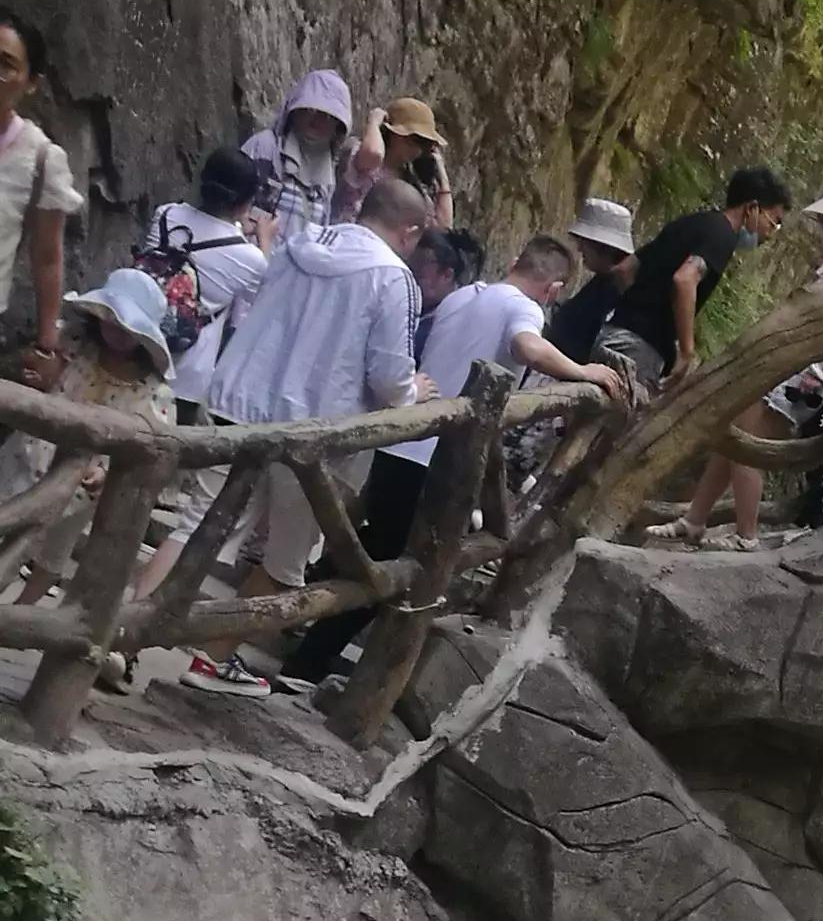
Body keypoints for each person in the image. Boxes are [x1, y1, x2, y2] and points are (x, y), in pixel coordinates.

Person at [297, 231, 622, 628]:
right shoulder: (526, 309)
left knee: (375, 543)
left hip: (402, 440)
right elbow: (527, 348)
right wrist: (581, 371)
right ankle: (309, 655)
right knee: (396, 568)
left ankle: (306, 603)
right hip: (439, 457)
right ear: (553, 289)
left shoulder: (461, 296)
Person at [191, 168, 427, 662]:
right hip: (315, 435)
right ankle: (211, 660)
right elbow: (389, 376)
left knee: (199, 528)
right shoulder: (394, 278)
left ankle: (121, 638)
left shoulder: (300, 242)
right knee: (286, 557)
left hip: (242, 404)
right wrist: (414, 392)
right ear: (410, 231)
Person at [687, 183, 823, 545]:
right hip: (794, 362)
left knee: (748, 443)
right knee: (732, 437)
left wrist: (819, 373)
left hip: (809, 373)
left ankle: (746, 535)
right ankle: (694, 519)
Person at [7, 268, 178, 604]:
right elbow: (38, 367)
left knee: (52, 551)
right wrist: (39, 370)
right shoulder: (74, 342)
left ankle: (21, 610)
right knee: (7, 519)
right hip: (29, 453)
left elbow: (150, 443)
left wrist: (107, 471)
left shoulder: (153, 392)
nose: (115, 333)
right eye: (110, 321)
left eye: (126, 328)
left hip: (80, 481)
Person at [600, 166, 792, 389]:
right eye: (773, 222)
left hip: (612, 333)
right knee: (616, 421)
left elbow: (625, 269)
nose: (770, 234)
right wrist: (686, 351)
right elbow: (685, 279)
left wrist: (636, 310)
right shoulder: (723, 235)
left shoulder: (694, 222)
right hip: (638, 349)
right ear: (752, 208)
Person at [138, 147, 271, 410]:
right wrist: (264, 239)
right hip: (185, 377)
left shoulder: (165, 215)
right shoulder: (250, 258)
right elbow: (264, 295)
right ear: (246, 202)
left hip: (137, 348)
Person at [0, 13, 85, 398]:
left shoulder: (40, 159)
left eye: (5, 65)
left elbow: (47, 257)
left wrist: (48, 343)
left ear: (31, 83)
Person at [242, 70, 358, 242]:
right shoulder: (265, 147)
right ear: (295, 109)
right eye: (311, 110)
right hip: (250, 260)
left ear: (337, 128)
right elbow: (231, 206)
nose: (318, 121)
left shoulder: (327, 176)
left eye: (328, 117)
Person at [341, 93, 455, 231]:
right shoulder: (361, 152)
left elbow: (443, 226)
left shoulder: (411, 181)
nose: (418, 149)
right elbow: (373, 154)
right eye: (415, 140)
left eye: (425, 144)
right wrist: (374, 123)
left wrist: (441, 172)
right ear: (392, 134)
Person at [547, 198, 638, 364]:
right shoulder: (603, 282)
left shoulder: (618, 290)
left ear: (602, 246)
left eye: (585, 243)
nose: (579, 248)